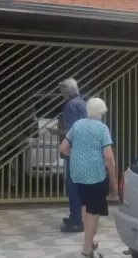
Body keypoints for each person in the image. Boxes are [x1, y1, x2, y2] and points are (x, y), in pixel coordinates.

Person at [58, 97, 117, 258]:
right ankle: (87, 249)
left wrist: (75, 155)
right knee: (94, 212)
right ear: (101, 113)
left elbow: (63, 148)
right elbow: (108, 156)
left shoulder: (77, 125)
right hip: (95, 176)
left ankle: (89, 241)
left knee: (85, 206)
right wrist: (113, 178)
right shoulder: (102, 128)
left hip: (78, 175)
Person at [49, 78, 88, 233]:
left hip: (73, 151)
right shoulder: (83, 103)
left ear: (65, 93)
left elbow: (72, 130)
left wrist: (56, 132)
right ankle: (77, 218)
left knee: (73, 186)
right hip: (83, 149)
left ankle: (76, 221)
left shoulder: (70, 106)